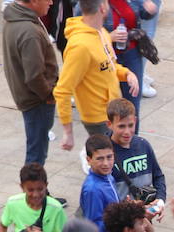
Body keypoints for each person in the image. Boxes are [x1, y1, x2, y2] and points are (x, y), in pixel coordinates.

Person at [54, 0, 138, 153]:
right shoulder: (80, 47)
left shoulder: (101, 32)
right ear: (102, 7)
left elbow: (108, 66)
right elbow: (62, 90)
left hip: (112, 112)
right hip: (98, 119)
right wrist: (68, 132)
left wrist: (127, 74)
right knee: (110, 163)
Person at [3, 0, 59, 165]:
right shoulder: (29, 32)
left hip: (29, 98)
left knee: (36, 150)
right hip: (37, 102)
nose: (51, 2)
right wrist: (49, 95)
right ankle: (34, 189)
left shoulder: (15, 18)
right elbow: (34, 76)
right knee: (36, 156)